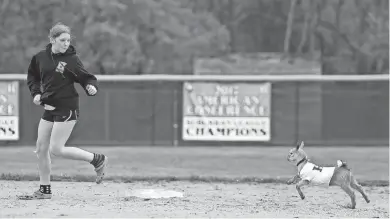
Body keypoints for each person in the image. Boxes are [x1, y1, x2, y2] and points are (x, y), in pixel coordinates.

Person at [18, 22, 108, 200]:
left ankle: (97, 159)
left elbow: (86, 77)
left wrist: (91, 86)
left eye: (68, 40)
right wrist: (36, 93)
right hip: (49, 107)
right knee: (41, 148)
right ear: (52, 40)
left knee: (56, 149)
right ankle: (45, 190)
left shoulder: (72, 60)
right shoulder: (40, 58)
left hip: (67, 107)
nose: (66, 43)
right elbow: (33, 77)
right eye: (62, 40)